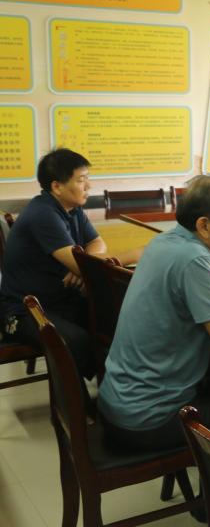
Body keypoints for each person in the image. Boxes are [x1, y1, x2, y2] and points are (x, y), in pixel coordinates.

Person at [97, 174, 210, 450]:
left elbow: (178, 302)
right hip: (149, 418)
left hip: (118, 403)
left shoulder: (164, 242)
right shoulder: (195, 258)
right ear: (204, 225)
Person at [0, 148, 140, 379]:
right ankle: (82, 400)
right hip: (23, 311)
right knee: (76, 342)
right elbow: (85, 266)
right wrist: (134, 254)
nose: (89, 186)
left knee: (117, 320)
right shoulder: (43, 214)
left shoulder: (72, 209)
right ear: (57, 186)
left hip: (58, 300)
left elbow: (96, 242)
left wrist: (81, 264)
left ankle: (115, 385)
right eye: (81, 180)